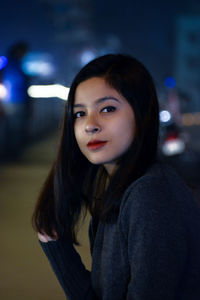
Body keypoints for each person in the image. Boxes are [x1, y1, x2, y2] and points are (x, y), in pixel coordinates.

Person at [32, 54, 200, 299]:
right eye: (79, 113)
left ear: (141, 113)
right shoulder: (119, 191)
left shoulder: (151, 196)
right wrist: (57, 245)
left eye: (107, 109)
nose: (90, 124)